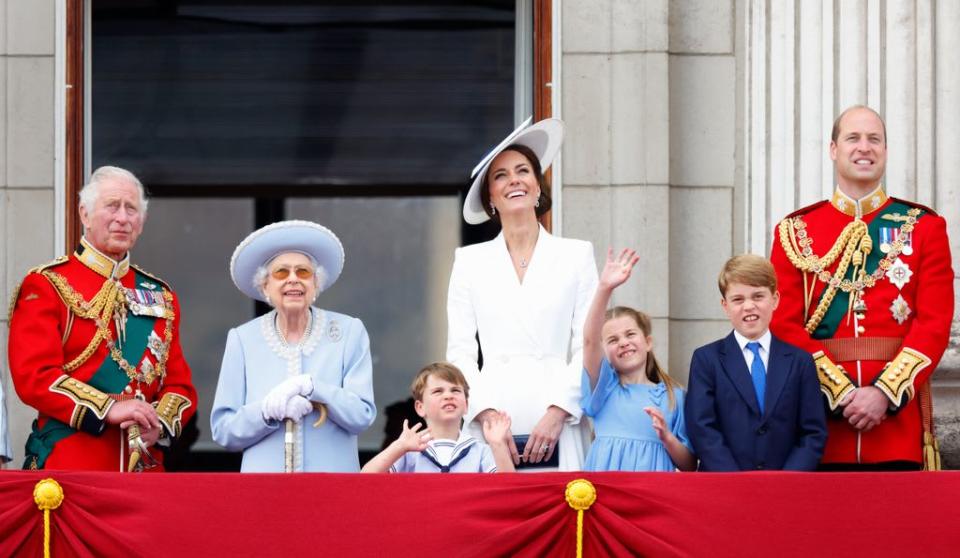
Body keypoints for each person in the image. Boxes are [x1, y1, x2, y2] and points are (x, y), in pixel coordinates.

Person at [770, 106, 954, 470]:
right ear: (833, 149)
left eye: (874, 139)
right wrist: (839, 393)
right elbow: (783, 323)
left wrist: (884, 394)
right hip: (819, 430)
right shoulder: (795, 231)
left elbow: (933, 324)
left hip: (896, 430)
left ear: (885, 151)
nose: (864, 147)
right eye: (853, 138)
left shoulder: (924, 227)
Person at [8, 166, 197, 471]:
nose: (122, 218)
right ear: (85, 214)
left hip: (144, 471)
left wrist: (159, 424)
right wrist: (109, 409)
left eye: (131, 209)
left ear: (142, 222)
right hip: (72, 467)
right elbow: (35, 377)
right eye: (112, 206)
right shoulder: (48, 284)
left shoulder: (162, 296)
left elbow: (180, 388)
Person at [446, 118, 598, 471]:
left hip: (560, 416)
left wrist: (560, 410)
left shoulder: (576, 254)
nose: (513, 179)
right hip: (494, 420)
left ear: (537, 187)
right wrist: (485, 415)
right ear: (491, 199)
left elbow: (587, 345)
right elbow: (460, 351)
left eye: (523, 171)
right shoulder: (469, 261)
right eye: (500, 175)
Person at [211, 220, 376, 472]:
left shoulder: (348, 332)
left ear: (316, 284)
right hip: (264, 490)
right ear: (265, 286)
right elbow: (224, 430)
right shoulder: (243, 339)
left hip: (332, 488)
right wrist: (266, 412)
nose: (293, 280)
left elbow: (361, 415)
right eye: (281, 273)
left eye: (303, 272)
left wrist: (314, 388)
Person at [685, 254, 827, 471]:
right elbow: (702, 427)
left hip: (785, 488)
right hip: (725, 487)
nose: (749, 306)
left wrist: (786, 480)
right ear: (725, 305)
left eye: (758, 296)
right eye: (738, 299)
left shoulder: (800, 362)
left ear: (775, 299)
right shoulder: (706, 360)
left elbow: (813, 432)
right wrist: (737, 482)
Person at [581, 248, 695, 472]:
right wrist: (604, 289)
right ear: (604, 351)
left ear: (648, 342)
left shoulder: (674, 396)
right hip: (607, 490)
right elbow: (589, 341)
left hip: (653, 492)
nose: (623, 342)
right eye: (613, 340)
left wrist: (666, 437)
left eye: (630, 334)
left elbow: (690, 464)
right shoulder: (604, 389)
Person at [362, 362, 514, 473]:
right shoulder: (409, 450)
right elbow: (365, 477)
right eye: (438, 391)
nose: (448, 395)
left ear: (466, 405)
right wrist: (399, 447)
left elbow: (508, 492)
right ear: (420, 408)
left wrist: (497, 444)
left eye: (455, 390)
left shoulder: (480, 450)